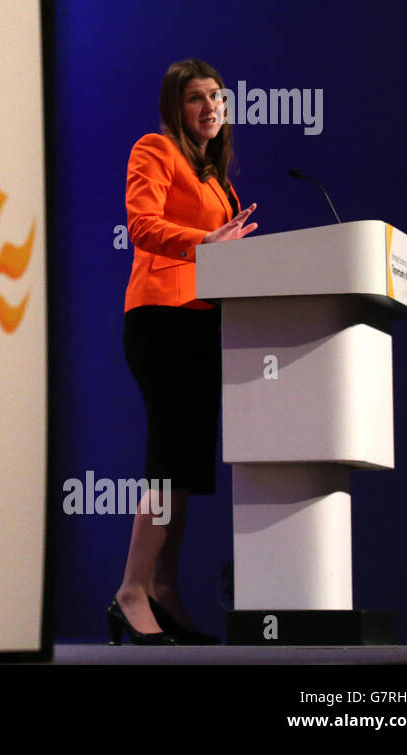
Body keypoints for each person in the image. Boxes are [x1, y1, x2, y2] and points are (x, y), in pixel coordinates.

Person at [107, 59, 258, 646]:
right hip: (161, 319)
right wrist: (205, 242)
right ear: (177, 108)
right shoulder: (155, 150)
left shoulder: (220, 180)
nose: (211, 107)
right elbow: (141, 224)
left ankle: (163, 591)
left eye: (217, 96)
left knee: (187, 470)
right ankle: (130, 590)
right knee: (170, 462)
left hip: (203, 325)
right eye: (196, 98)